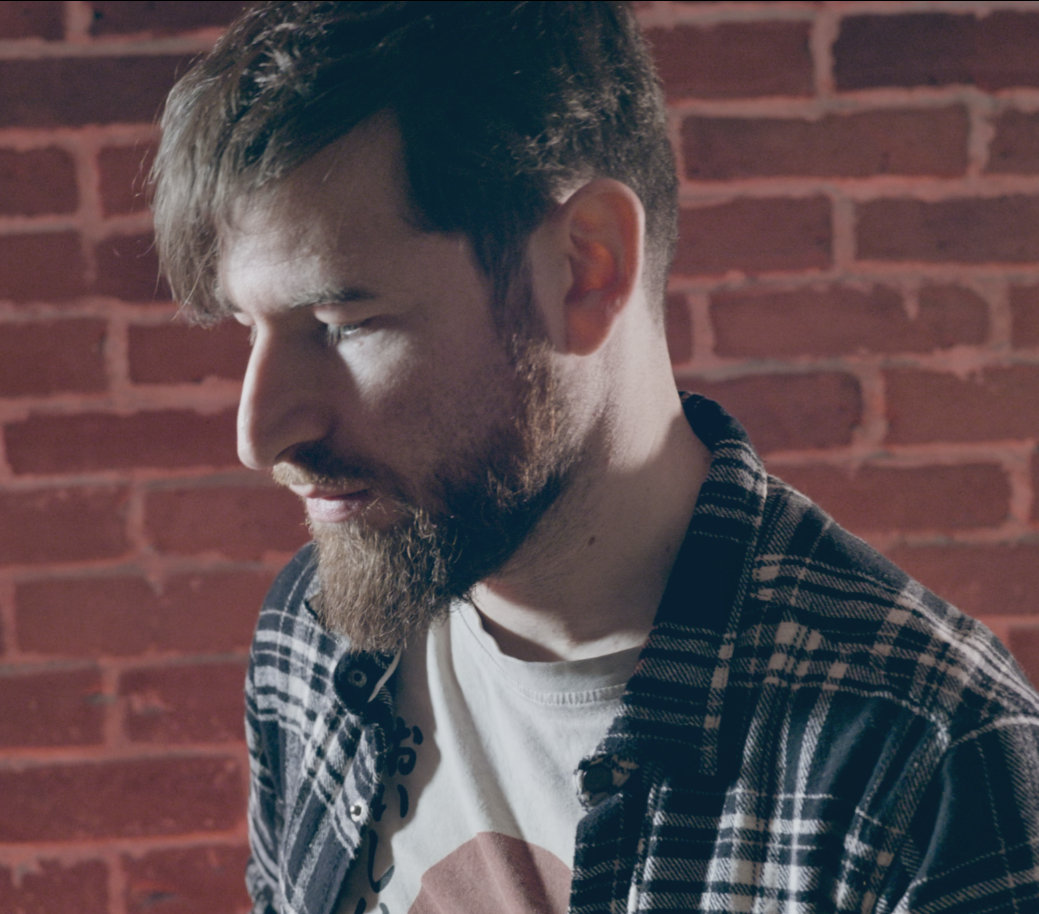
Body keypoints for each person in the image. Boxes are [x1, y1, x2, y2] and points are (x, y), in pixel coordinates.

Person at [151, 2, 1039, 912]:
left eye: (345, 323)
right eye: (249, 327)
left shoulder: (927, 768)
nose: (258, 435)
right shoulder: (314, 630)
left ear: (586, 267)